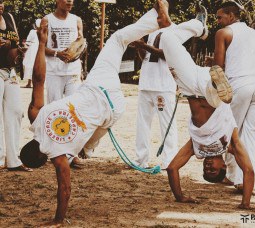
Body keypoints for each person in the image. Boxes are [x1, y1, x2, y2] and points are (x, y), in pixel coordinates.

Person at [20, 1, 171, 225]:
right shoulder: (37, 116)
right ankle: (154, 19)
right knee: (118, 39)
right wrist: (42, 44)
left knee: (90, 139)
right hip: (99, 83)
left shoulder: (58, 157)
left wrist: (58, 220)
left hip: (113, 109)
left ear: (43, 159)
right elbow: (40, 79)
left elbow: (65, 188)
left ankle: (87, 148)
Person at [158, 4, 254, 208]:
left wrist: (180, 196)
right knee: (216, 97)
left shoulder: (197, 148)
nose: (209, 165)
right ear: (223, 168)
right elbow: (248, 170)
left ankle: (198, 26)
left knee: (167, 38)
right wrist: (245, 203)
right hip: (212, 95)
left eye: (206, 169)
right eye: (214, 169)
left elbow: (172, 168)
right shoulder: (230, 144)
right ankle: (219, 83)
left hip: (189, 85)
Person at [213, 2, 255, 189]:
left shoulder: (224, 33)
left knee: (231, 131)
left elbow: (218, 68)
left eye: (220, 17)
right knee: (253, 134)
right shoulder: (254, 33)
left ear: (230, 15)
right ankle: (244, 180)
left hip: (240, 84)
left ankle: (230, 174)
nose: (218, 21)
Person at [131, 24, 178, 169]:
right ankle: (141, 159)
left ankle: (170, 160)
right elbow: (146, 57)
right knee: (142, 123)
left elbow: (168, 55)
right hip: (146, 82)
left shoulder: (173, 30)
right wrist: (140, 47)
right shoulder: (151, 32)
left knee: (167, 124)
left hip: (163, 85)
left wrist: (145, 46)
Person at [43, 0, 84, 167]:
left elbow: (81, 42)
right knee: (54, 110)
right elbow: (41, 46)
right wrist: (56, 54)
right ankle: (53, 151)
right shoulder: (47, 20)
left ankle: (72, 154)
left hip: (72, 70)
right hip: (54, 71)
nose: (69, 1)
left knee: (73, 110)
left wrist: (77, 51)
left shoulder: (77, 20)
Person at [0, 0, 32, 172]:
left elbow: (15, 42)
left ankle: (13, 160)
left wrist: (20, 49)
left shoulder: (9, 17)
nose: (0, 4)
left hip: (9, 71)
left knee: (16, 112)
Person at [23, 19, 41, 88]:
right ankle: (37, 83)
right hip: (40, 50)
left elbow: (28, 42)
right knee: (38, 66)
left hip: (32, 50)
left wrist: (25, 48)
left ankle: (29, 83)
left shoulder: (33, 32)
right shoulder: (44, 32)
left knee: (30, 65)